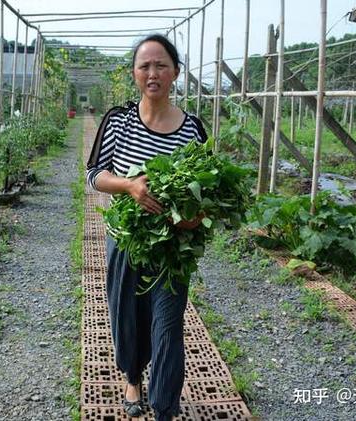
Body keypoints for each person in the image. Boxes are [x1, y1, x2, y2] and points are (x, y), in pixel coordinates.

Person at [86, 34, 207, 421]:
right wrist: (130, 186)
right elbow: (94, 175)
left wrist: (195, 218)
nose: (152, 73)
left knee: (169, 327)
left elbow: (209, 191)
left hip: (173, 248)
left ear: (175, 72)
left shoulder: (193, 130)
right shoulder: (118, 121)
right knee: (128, 318)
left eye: (161, 65)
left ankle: (165, 409)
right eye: (144, 66)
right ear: (135, 74)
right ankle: (133, 377)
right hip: (125, 241)